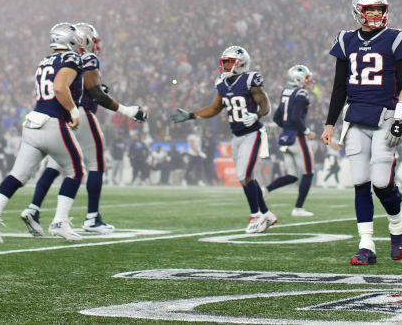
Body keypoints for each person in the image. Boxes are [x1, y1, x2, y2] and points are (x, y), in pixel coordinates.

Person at [20, 22, 146, 237]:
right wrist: (127, 111)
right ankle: (92, 217)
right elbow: (94, 92)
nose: (96, 46)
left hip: (62, 116)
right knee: (95, 163)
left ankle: (34, 208)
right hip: (82, 114)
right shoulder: (85, 58)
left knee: (54, 165)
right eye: (94, 41)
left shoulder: (60, 58)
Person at [321, 0, 402, 265]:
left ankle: (397, 226)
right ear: (357, 11)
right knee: (360, 181)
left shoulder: (397, 38)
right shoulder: (345, 39)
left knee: (382, 182)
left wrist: (400, 119)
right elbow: (339, 87)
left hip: (386, 115)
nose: (375, 14)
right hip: (355, 117)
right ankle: (366, 245)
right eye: (370, 9)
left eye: (379, 9)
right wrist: (329, 124)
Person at [0, 23, 87, 244]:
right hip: (53, 122)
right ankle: (60, 221)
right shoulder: (71, 59)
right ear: (70, 40)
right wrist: (74, 111)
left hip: (33, 122)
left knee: (17, 175)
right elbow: (59, 87)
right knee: (75, 171)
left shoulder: (44, 60)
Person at [172, 45, 277, 233]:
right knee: (247, 178)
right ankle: (267, 214)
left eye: (229, 62)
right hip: (236, 135)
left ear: (241, 63)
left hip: (253, 133)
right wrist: (191, 115)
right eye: (224, 62)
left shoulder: (250, 80)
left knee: (244, 176)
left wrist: (257, 115)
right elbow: (214, 108)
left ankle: (257, 216)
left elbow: (264, 103)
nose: (226, 66)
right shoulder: (222, 83)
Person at [265, 64, 317, 217]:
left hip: (285, 138)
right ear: (298, 78)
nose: (308, 81)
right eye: (306, 78)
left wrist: (287, 128)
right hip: (297, 138)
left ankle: (265, 190)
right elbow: (295, 117)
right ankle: (298, 208)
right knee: (308, 172)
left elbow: (276, 118)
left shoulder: (285, 92)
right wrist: (306, 131)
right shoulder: (301, 94)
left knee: (293, 175)